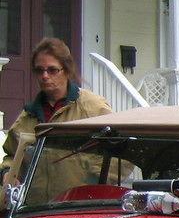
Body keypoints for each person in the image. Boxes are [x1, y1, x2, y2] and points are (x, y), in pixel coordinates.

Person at [1, 38, 113, 192]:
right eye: (39, 70)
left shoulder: (93, 108)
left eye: (52, 70)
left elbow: (121, 150)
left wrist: (94, 180)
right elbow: (12, 156)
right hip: (34, 209)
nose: (45, 76)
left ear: (66, 70)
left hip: (78, 207)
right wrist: (7, 173)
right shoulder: (28, 116)